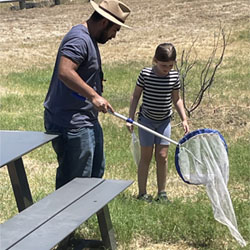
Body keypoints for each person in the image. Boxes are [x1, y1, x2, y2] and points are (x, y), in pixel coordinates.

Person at [44, 0, 131, 189]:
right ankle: (65, 219)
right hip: (70, 122)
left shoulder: (89, 38)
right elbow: (65, 72)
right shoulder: (79, 39)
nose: (114, 36)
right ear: (104, 23)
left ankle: (86, 218)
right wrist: (93, 95)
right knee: (75, 184)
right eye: (115, 30)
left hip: (86, 119)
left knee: (94, 176)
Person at [127, 43, 189, 202]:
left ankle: (162, 193)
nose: (166, 69)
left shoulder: (174, 77)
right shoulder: (146, 74)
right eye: (163, 65)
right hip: (146, 121)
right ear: (155, 60)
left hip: (164, 122)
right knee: (146, 157)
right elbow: (135, 96)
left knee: (162, 156)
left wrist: (184, 118)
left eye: (170, 65)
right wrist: (130, 117)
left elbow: (177, 99)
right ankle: (142, 193)